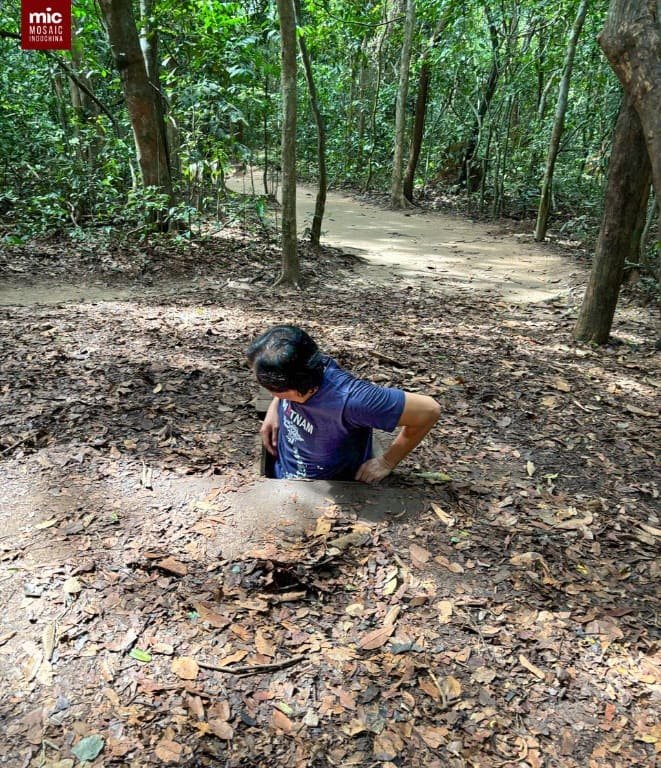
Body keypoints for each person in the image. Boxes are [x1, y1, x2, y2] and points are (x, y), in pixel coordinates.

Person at [246, 325, 441, 483]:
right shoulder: (306, 366)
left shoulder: (351, 400)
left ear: (291, 387)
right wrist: (275, 408)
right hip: (286, 469)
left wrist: (387, 462)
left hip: (325, 489)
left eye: (270, 387)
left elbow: (429, 410)